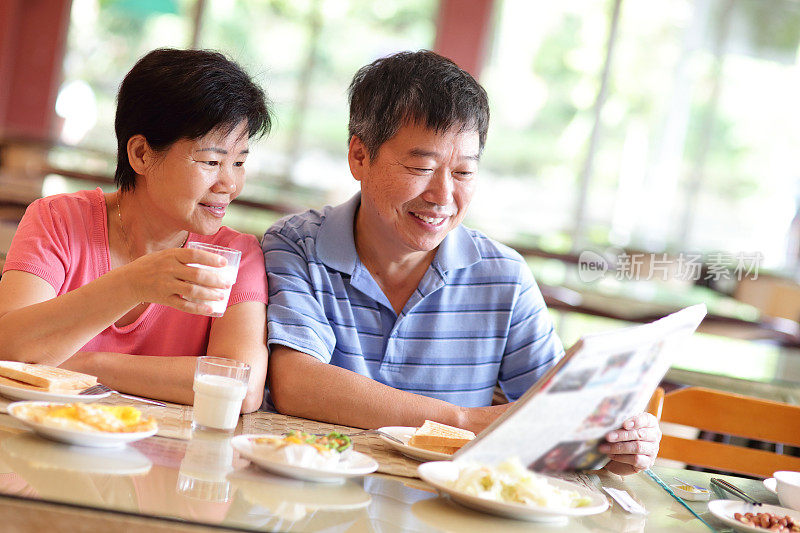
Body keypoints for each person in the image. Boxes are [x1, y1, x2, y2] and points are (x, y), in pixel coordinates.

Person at [263, 50, 660, 475]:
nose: (442, 195)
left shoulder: (503, 278)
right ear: (359, 156)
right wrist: (463, 422)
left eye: (464, 173)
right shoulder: (297, 246)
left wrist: (616, 447)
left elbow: (555, 416)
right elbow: (297, 383)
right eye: (421, 166)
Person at [0, 48, 271, 410]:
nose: (230, 184)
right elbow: (8, 347)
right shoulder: (58, 220)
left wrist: (86, 365)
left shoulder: (235, 257)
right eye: (211, 161)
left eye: (238, 163)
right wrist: (133, 283)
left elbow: (243, 386)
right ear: (141, 154)